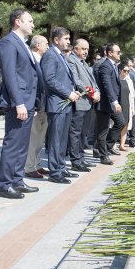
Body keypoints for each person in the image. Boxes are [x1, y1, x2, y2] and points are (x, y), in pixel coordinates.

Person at [0, 8, 39, 199]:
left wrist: (33, 103)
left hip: (28, 103)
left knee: (23, 145)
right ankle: (5, 185)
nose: (33, 24)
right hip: (18, 104)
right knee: (13, 144)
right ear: (17, 22)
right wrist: (18, 103)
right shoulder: (8, 42)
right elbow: (10, 75)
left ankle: (17, 180)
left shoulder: (23, 44)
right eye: (29, 21)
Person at [42, 27, 80, 184]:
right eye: (65, 38)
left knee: (63, 140)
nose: (68, 41)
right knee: (55, 140)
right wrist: (68, 93)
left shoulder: (61, 56)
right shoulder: (50, 55)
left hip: (65, 104)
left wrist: (73, 92)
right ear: (56, 40)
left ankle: (61, 167)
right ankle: (55, 172)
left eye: (69, 38)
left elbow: (65, 79)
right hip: (57, 104)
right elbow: (49, 79)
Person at [67, 39, 101, 172]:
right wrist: (92, 93)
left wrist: (96, 90)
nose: (86, 52)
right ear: (75, 49)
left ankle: (81, 158)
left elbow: (93, 81)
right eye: (83, 49)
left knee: (83, 133)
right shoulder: (71, 60)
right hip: (80, 102)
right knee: (76, 132)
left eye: (87, 49)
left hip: (88, 103)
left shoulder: (84, 63)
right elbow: (77, 81)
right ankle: (76, 160)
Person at [94, 43, 125, 165]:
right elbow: (107, 85)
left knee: (121, 122)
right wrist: (114, 101)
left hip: (111, 104)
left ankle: (105, 147)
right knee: (103, 130)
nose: (120, 54)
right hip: (105, 104)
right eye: (118, 52)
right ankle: (103, 155)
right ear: (110, 53)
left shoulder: (114, 66)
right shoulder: (105, 66)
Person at [24, 35, 50, 179]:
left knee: (40, 138)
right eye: (46, 43)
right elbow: (30, 85)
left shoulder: (43, 61)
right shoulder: (30, 60)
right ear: (38, 45)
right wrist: (32, 104)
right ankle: (29, 168)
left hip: (44, 105)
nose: (48, 46)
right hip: (34, 105)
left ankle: (37, 164)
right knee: (33, 137)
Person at [118, 62, 134, 151]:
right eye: (125, 71)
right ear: (120, 70)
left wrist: (133, 108)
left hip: (127, 105)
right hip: (119, 105)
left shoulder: (129, 81)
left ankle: (122, 144)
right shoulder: (116, 80)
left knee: (126, 125)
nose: (126, 73)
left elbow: (132, 95)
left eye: (128, 71)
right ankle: (112, 145)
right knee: (117, 124)